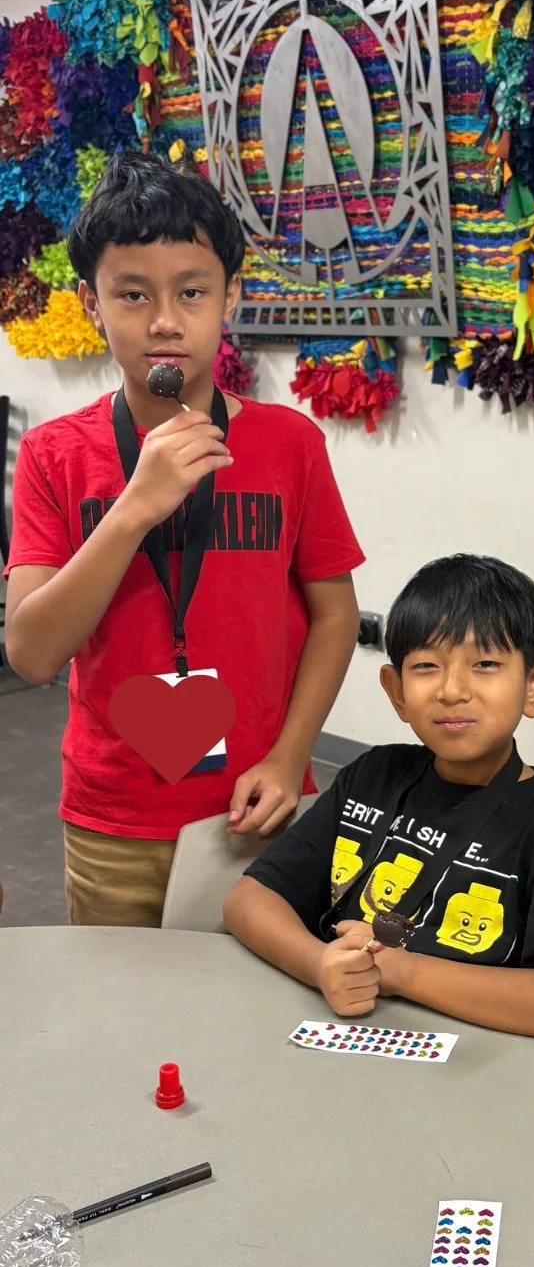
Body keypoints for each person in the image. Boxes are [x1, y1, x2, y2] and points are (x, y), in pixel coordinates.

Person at [3, 152, 363, 927]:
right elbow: (30, 654)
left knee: (253, 1018)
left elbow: (335, 616)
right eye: (132, 295)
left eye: (191, 292)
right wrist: (135, 509)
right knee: (126, 1025)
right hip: (113, 816)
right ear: (91, 303)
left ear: (230, 295)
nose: (164, 320)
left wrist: (291, 756)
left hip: (258, 804)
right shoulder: (55, 454)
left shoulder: (290, 444)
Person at [224, 554, 534, 1045]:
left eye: (486, 664)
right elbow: (248, 899)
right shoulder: (371, 777)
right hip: (342, 1029)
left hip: (475, 1064)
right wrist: (318, 963)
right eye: (427, 666)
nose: (452, 691)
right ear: (397, 691)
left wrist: (400, 972)